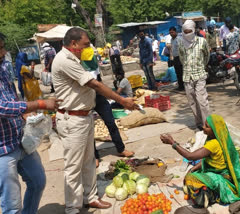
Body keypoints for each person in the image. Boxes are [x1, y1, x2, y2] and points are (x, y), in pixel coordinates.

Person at [52, 27, 139, 214]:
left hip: (84, 116)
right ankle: (72, 208)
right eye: (85, 45)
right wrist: (122, 100)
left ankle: (90, 198)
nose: (87, 49)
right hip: (72, 119)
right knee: (73, 167)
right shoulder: (64, 60)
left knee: (89, 162)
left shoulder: (75, 58)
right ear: (73, 43)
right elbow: (94, 84)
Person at [0, 31, 61, 214]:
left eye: (3, 48)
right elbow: (2, 106)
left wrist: (23, 114)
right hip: (3, 150)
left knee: (38, 182)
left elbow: (10, 96)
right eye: (0, 49)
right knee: (12, 204)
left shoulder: (3, 67)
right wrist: (40, 103)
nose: (3, 53)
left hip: (20, 139)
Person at [160, 114, 240, 207]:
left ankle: (212, 195)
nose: (203, 127)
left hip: (221, 177)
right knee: (194, 174)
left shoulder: (213, 144)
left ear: (214, 130)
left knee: (191, 178)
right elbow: (207, 159)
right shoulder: (222, 140)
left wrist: (172, 143)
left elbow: (190, 156)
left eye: (207, 126)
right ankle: (208, 190)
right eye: (204, 125)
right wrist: (194, 168)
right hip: (223, 173)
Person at [81, 47, 134, 168]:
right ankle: (94, 156)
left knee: (111, 122)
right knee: (90, 129)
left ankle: (120, 149)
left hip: (99, 97)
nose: (91, 61)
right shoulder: (79, 68)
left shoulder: (95, 67)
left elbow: (99, 82)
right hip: (86, 98)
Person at [178, 20, 210, 130]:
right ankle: (199, 124)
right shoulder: (181, 43)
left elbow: (207, 56)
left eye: (189, 31)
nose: (188, 34)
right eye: (185, 32)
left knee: (202, 101)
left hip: (200, 75)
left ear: (193, 30)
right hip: (187, 76)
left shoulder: (202, 42)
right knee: (192, 102)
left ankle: (207, 125)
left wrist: (201, 66)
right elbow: (182, 58)